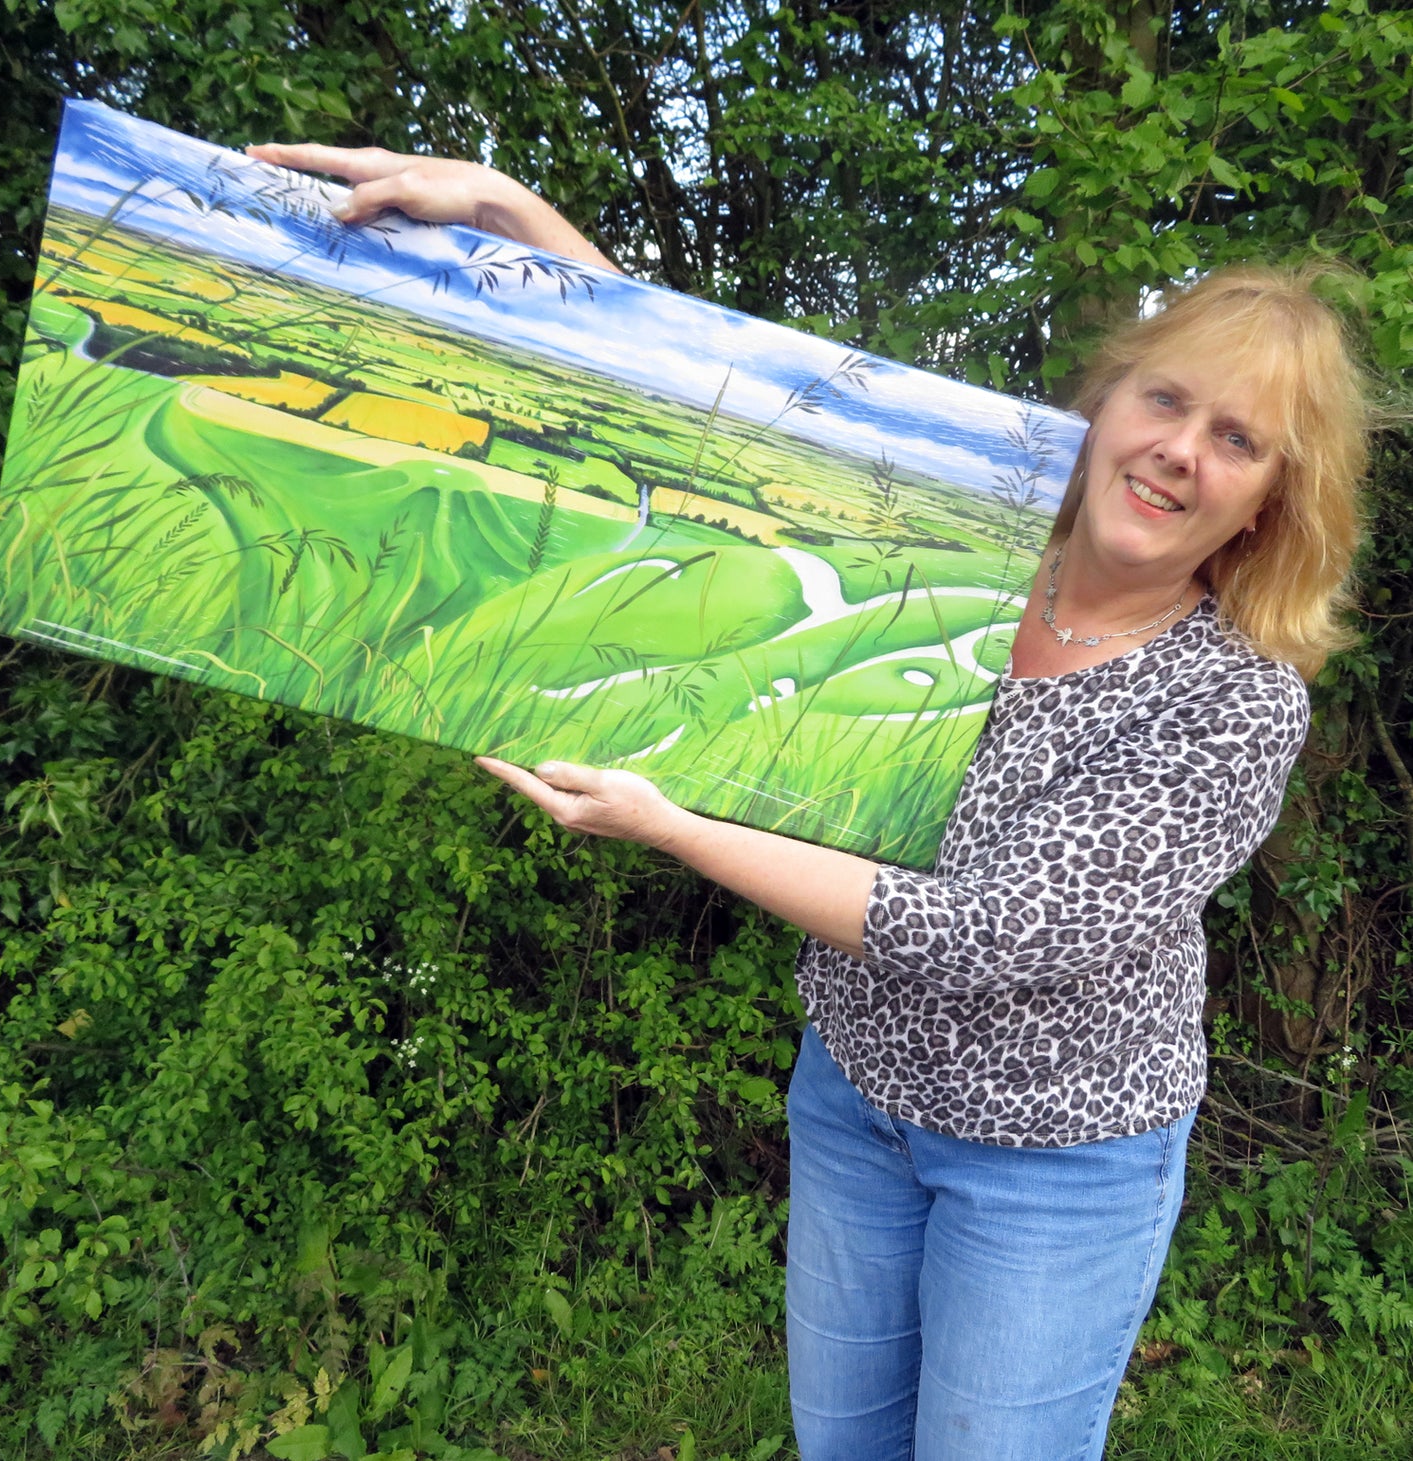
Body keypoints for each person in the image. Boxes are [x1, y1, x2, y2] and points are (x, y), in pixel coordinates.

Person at [248, 143, 1370, 1460]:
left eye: (1234, 440)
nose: (1179, 451)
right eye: (1165, 399)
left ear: (1269, 503)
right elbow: (703, 457)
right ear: (1107, 398)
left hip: (1052, 1163)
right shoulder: (962, 541)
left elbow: (989, 936)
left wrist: (665, 822)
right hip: (851, 1098)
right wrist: (507, 210)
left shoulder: (1229, 699)